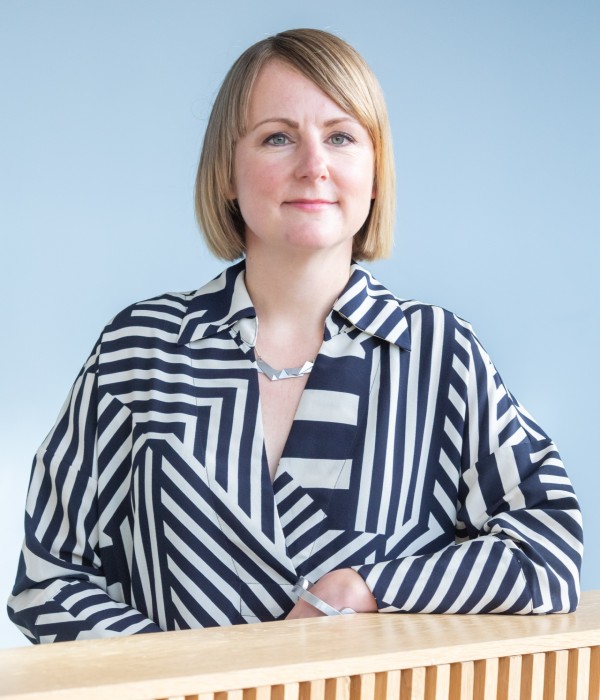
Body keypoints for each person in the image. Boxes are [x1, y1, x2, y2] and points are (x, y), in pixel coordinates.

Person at [8, 28, 582, 643]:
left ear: (376, 172)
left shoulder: (439, 354)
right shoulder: (139, 351)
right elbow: (48, 581)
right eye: (277, 137)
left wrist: (372, 587)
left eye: (341, 137)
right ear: (227, 171)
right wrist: (183, 677)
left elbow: (548, 555)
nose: (314, 166)